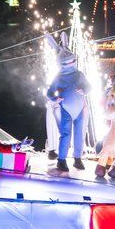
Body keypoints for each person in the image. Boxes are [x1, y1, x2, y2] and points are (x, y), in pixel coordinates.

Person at [44, 33, 91, 173]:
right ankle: (61, 160)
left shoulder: (80, 74)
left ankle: (77, 158)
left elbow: (89, 87)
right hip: (66, 108)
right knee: (66, 134)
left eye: (72, 61)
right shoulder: (59, 77)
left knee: (79, 133)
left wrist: (84, 91)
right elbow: (49, 92)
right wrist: (55, 99)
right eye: (66, 62)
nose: (70, 64)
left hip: (80, 108)